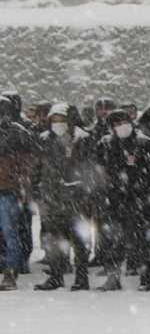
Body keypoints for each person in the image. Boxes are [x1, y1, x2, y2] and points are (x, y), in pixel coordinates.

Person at [30, 107, 100, 291]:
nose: (58, 123)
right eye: (54, 119)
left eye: (62, 119)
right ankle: (56, 276)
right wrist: (34, 191)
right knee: (53, 240)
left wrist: (88, 192)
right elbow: (36, 167)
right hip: (51, 198)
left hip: (76, 198)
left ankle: (81, 277)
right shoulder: (44, 139)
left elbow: (90, 168)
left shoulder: (82, 139)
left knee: (78, 239)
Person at [95, 107, 150, 290]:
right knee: (114, 240)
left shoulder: (144, 142)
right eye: (117, 124)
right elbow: (101, 170)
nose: (122, 127)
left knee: (141, 240)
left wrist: (142, 185)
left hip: (139, 198)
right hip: (115, 198)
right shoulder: (106, 144)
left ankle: (144, 277)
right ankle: (113, 277)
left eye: (124, 123)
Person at [0, 96, 37, 290]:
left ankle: (11, 271)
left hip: (7, 191)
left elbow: (25, 166)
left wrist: (23, 188)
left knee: (10, 232)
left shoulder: (17, 133)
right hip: (7, 190)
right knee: (10, 232)